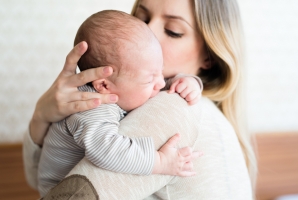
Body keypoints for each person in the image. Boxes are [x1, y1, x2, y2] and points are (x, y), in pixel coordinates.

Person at [23, 0, 257, 199]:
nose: (149, 34)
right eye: (141, 17)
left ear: (209, 56)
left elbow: (67, 192)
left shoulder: (173, 106)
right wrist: (42, 115)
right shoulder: (112, 102)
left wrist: (158, 162)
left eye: (173, 30)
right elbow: (44, 182)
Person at [37, 10, 203, 197]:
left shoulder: (128, 82)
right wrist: (160, 161)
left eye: (161, 71)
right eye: (150, 79)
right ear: (104, 85)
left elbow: (155, 83)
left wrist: (187, 82)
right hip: (61, 190)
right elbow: (107, 150)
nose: (161, 83)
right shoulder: (92, 107)